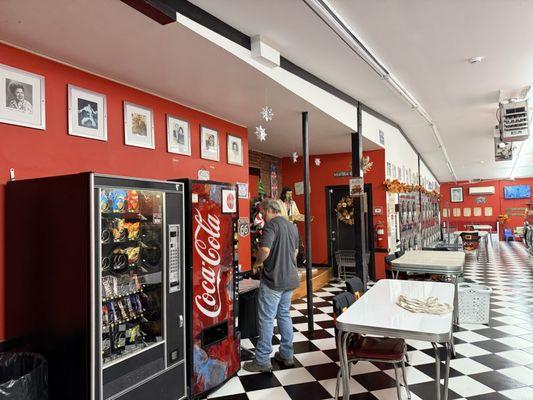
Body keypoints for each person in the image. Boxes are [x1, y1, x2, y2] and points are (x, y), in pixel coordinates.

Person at [243, 198, 299, 373]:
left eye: (262, 213)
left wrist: (257, 263)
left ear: (268, 211)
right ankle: (287, 354)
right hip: (290, 279)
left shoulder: (271, 225)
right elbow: (295, 252)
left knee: (267, 319)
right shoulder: (292, 226)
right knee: (284, 315)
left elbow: (265, 250)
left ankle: (262, 360)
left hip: (273, 280)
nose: (262, 217)